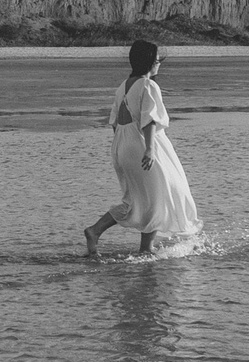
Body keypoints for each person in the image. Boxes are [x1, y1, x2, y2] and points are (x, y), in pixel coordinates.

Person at [84, 39, 202, 257]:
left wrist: (125, 148)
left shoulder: (123, 87)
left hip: (122, 146)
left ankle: (95, 231)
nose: (159, 64)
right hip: (142, 145)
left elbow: (114, 123)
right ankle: (145, 248)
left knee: (137, 199)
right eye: (157, 60)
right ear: (148, 62)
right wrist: (149, 149)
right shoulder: (148, 85)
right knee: (162, 193)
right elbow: (150, 120)